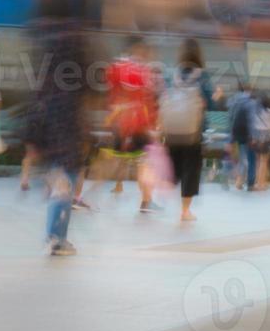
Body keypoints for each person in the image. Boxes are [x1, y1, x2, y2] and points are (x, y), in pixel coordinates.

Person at [32, 0, 90, 255]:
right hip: (67, 114)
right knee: (66, 175)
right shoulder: (74, 36)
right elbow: (87, 80)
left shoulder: (40, 34)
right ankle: (57, 236)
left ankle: (55, 234)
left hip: (45, 112)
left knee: (59, 174)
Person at [160, 38, 218, 222]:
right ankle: (185, 211)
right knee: (191, 170)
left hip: (171, 130)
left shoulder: (172, 74)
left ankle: (166, 187)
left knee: (174, 167)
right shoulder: (202, 76)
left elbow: (162, 98)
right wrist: (217, 96)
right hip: (193, 133)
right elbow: (209, 104)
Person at [106, 37, 161, 213]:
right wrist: (152, 126)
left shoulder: (115, 68)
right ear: (140, 50)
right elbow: (147, 101)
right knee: (145, 163)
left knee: (117, 160)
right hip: (137, 124)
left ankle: (81, 196)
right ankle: (146, 201)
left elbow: (112, 95)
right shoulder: (141, 71)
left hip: (119, 123)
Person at [226, 82, 260, 190]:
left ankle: (239, 182)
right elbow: (251, 121)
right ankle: (250, 184)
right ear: (250, 91)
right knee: (252, 159)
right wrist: (253, 136)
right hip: (248, 135)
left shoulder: (233, 101)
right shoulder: (251, 102)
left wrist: (230, 138)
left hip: (236, 134)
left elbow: (230, 119)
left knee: (242, 158)